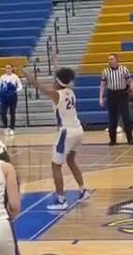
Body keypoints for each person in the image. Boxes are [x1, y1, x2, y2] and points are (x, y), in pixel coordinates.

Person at [26, 64, 92, 210]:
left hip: (66, 132)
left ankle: (61, 200)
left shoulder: (56, 94)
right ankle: (82, 190)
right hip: (78, 130)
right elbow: (62, 76)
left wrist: (27, 76)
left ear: (57, 82)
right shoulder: (70, 91)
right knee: (71, 160)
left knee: (55, 166)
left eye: (54, 80)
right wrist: (56, 64)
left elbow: (39, 86)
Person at [99, 54, 133, 146]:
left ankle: (130, 139)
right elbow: (102, 85)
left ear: (116, 60)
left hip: (122, 94)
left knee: (126, 117)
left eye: (112, 59)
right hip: (111, 94)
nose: (110, 61)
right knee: (112, 118)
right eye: (109, 59)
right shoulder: (105, 71)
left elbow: (130, 81)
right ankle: (112, 140)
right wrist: (101, 97)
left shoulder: (124, 69)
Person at [0, 64, 22, 137]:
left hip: (12, 96)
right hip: (4, 96)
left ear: (11, 69)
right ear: (5, 69)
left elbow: (20, 85)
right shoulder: (2, 77)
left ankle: (12, 128)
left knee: (12, 112)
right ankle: (6, 127)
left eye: (9, 68)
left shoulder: (15, 76)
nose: (8, 69)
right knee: (3, 112)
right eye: (6, 68)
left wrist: (15, 90)